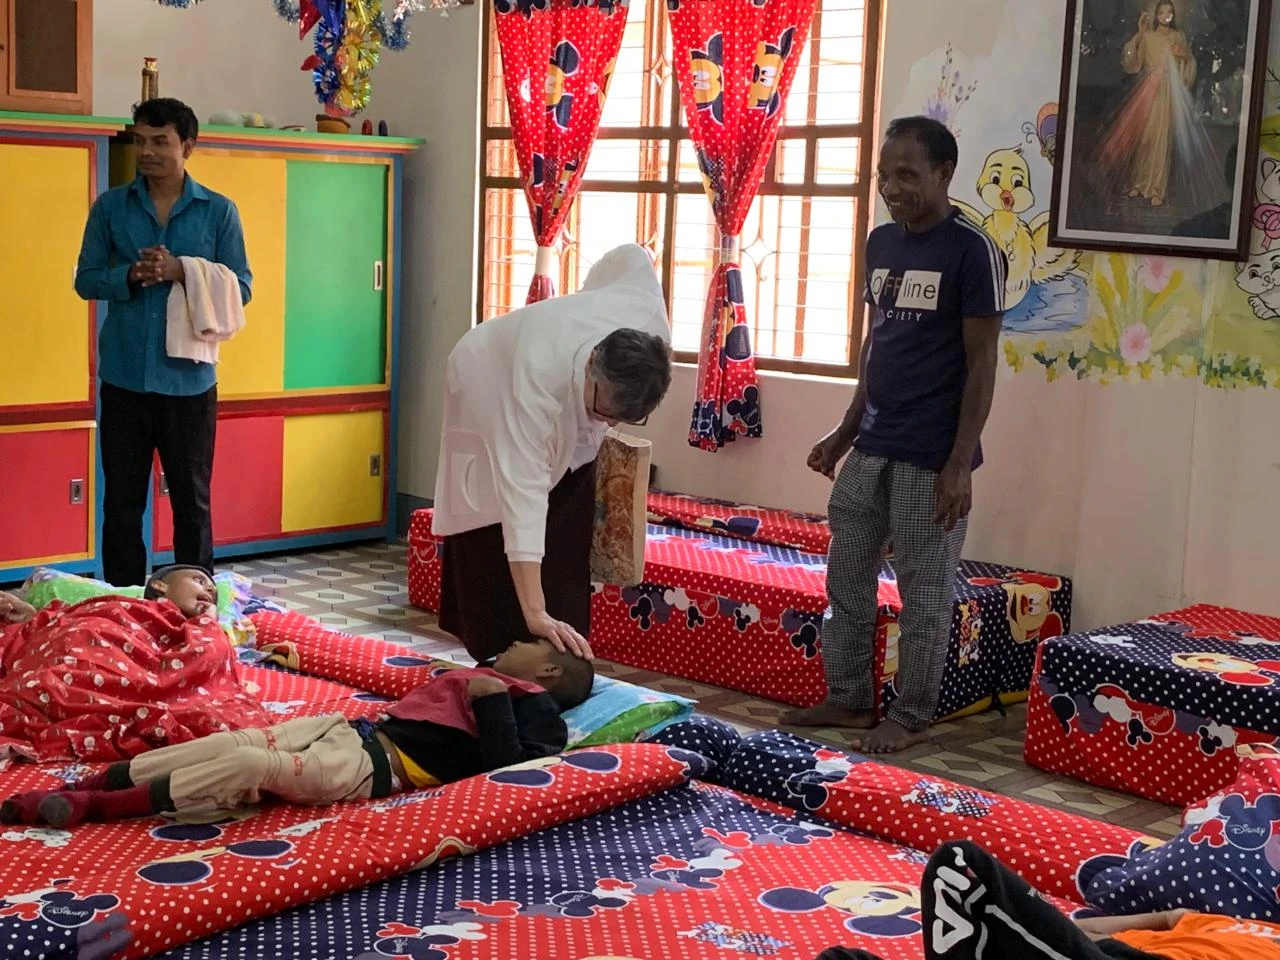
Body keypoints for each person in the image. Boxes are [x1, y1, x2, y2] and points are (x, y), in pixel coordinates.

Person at [781, 116, 1006, 754]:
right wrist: (843, 432)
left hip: (932, 457)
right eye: (884, 175)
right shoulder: (881, 243)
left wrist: (959, 463)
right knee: (845, 575)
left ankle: (911, 716)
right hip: (873, 445)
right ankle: (850, 699)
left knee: (925, 592)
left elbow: (983, 364)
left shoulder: (973, 250)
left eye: (906, 174)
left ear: (943, 173)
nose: (892, 187)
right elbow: (876, 346)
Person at [1, 637, 593, 828]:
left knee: (255, 771)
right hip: (349, 729)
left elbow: (509, 771)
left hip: (376, 767)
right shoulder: (480, 673)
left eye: (527, 643)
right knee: (234, 740)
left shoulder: (535, 706)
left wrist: (493, 705)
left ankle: (99, 805)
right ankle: (107, 774)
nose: (513, 642)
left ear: (545, 670)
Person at [433, 243, 672, 663]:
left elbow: (630, 255)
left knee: (566, 523)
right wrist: (536, 613)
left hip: (558, 384)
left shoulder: (649, 325)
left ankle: (560, 637)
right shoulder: (536, 373)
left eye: (621, 417)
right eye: (603, 409)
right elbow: (522, 497)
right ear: (593, 361)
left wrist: (586, 297)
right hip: (487, 378)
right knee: (493, 514)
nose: (608, 422)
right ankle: (498, 652)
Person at [75, 97, 252, 588]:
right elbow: (86, 280)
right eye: (140, 141)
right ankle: (124, 607)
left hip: (190, 383)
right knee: (123, 504)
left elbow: (241, 289)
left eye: (161, 142)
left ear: (188, 147)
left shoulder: (218, 212)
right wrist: (130, 274)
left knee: (192, 502)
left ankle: (194, 609)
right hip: (126, 378)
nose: (147, 151)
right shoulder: (110, 208)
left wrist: (182, 271)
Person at [815, 840, 1280, 960]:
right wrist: (1165, 918)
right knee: (842, 959)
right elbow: (1076, 931)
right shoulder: (1212, 921)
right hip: (1096, 954)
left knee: (961, 863)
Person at [0, 565, 267, 765]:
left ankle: (45, 689)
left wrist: (209, 624)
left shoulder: (189, 629)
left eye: (212, 591)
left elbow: (202, 661)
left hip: (92, 669)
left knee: (52, 686)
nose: (209, 591)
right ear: (161, 585)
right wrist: (32, 618)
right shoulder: (120, 604)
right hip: (61, 647)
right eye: (199, 581)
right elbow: (70, 619)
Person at [1096, 2, 1214, 209]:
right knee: (1144, 138)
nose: (1165, 15)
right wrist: (1139, 34)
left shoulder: (1178, 37)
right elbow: (1133, 64)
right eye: (1161, 11)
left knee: (1162, 138)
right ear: (1156, 14)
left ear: (1173, 15)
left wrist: (1184, 56)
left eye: (1169, 12)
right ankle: (1139, 184)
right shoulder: (1148, 36)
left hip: (1168, 92)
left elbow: (1189, 66)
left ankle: (1157, 188)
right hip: (1147, 90)